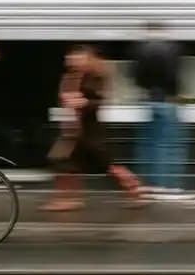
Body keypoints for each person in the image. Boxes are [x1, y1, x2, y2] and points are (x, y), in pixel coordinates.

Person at [43, 45, 145, 211]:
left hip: (91, 131)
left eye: (78, 58)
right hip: (72, 131)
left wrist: (84, 103)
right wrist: (66, 100)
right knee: (61, 162)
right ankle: (66, 199)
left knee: (108, 165)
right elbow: (64, 97)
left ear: (87, 58)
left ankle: (136, 191)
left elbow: (100, 102)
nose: (72, 60)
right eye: (71, 58)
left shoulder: (96, 76)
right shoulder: (72, 76)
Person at [132, 21, 185, 196]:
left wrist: (147, 90)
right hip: (167, 100)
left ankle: (150, 182)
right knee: (168, 145)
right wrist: (174, 93)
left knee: (148, 144)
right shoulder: (172, 49)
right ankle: (168, 184)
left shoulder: (140, 49)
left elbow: (136, 77)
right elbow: (173, 75)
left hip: (148, 100)